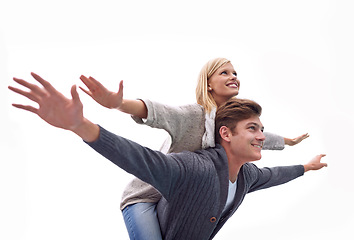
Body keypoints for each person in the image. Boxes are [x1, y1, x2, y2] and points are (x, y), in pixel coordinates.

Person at [8, 74, 327, 239]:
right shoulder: (196, 164)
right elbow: (142, 155)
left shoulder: (245, 176)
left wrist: (306, 167)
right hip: (142, 198)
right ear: (226, 134)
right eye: (254, 129)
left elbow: (275, 175)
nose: (262, 137)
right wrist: (83, 124)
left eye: (263, 131)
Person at [78, 58, 309, 239]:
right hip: (147, 196)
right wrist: (119, 104)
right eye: (224, 72)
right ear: (208, 83)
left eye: (235, 73)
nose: (233, 76)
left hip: (183, 197)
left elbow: (255, 138)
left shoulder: (227, 125)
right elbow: (159, 112)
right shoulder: (192, 115)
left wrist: (289, 142)